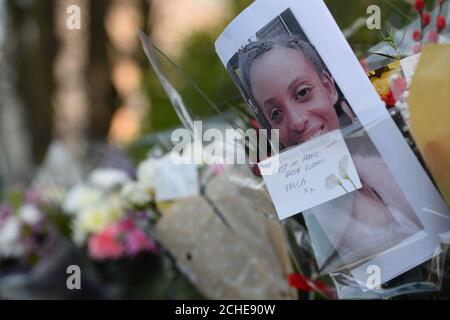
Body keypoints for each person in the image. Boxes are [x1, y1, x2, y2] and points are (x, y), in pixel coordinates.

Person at [238, 35, 423, 268]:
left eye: (302, 93)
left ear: (328, 87)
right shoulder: (308, 220)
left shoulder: (398, 147)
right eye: (276, 114)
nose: (296, 122)